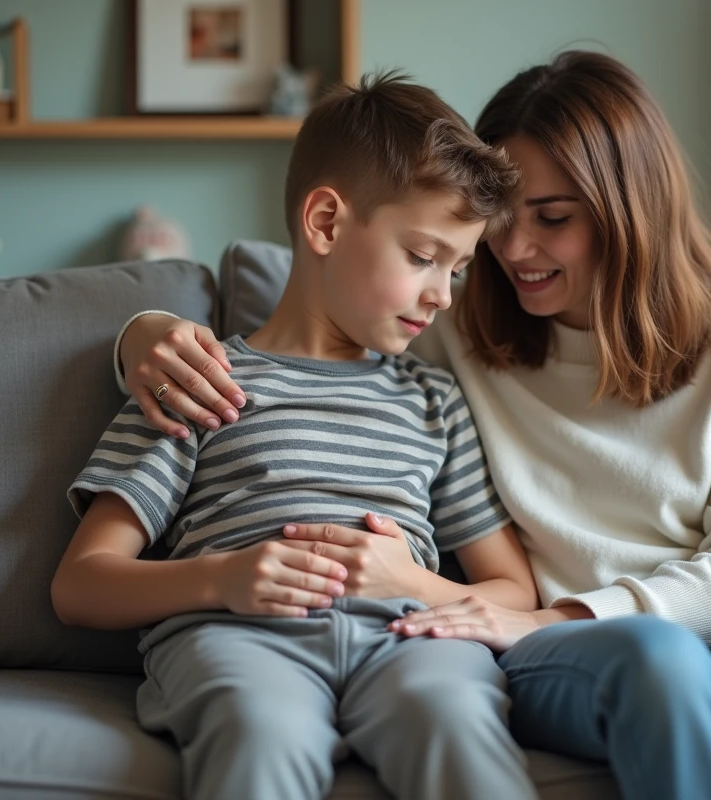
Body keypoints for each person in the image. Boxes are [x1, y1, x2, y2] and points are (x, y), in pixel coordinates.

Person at [115, 52, 711, 800]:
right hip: (578, 649)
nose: (513, 251)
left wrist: (547, 616)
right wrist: (142, 334)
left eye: (553, 218)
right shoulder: (464, 330)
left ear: (629, 212)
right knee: (658, 661)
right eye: (501, 224)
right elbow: (322, 326)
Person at [52, 73, 544, 800]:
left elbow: (515, 590)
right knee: (259, 731)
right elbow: (80, 583)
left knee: (453, 718)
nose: (443, 294)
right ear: (324, 223)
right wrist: (219, 579)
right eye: (422, 257)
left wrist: (412, 582)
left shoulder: (431, 400)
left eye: (458, 269)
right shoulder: (199, 381)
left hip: (413, 642)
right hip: (238, 641)